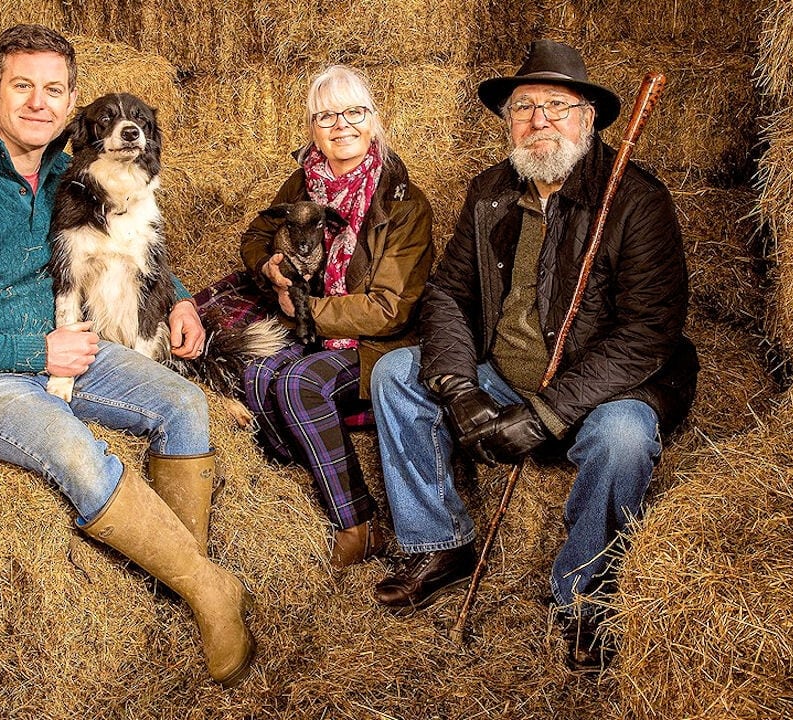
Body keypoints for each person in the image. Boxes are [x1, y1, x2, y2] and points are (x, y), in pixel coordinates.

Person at [0, 24, 254, 686]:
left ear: (72, 99)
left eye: (52, 90)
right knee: (73, 448)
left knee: (182, 399)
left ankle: (182, 576)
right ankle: (210, 592)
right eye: (22, 86)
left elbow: (128, 245)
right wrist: (36, 348)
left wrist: (175, 299)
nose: (37, 103)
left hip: (71, 348)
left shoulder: (74, 169)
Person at [368, 39, 698, 670]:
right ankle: (439, 540)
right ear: (506, 121)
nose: (538, 120)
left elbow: (647, 334)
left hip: (600, 387)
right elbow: (447, 293)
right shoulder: (491, 190)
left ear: (589, 119)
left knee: (625, 437)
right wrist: (459, 386)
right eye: (523, 107)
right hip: (501, 373)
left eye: (556, 106)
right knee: (394, 375)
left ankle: (582, 596)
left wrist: (546, 414)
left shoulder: (634, 201)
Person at [238, 65, 434, 569]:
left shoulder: (404, 203)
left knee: (300, 384)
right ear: (311, 128)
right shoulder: (303, 185)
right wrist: (270, 267)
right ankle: (303, 487)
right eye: (327, 115)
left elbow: (388, 310)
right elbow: (257, 235)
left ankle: (357, 524)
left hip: (374, 344)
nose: (341, 125)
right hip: (309, 325)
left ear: (374, 121)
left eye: (354, 112)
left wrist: (304, 308)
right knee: (256, 371)